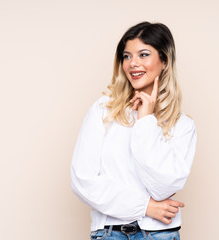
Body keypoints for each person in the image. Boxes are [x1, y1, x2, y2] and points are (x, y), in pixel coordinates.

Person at [70, 22, 197, 240]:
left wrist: (146, 120)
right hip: (110, 234)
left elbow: (163, 186)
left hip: (160, 235)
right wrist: (145, 207)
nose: (133, 64)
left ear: (164, 60)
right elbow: (82, 179)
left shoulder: (183, 125)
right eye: (127, 56)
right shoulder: (104, 110)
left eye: (143, 54)